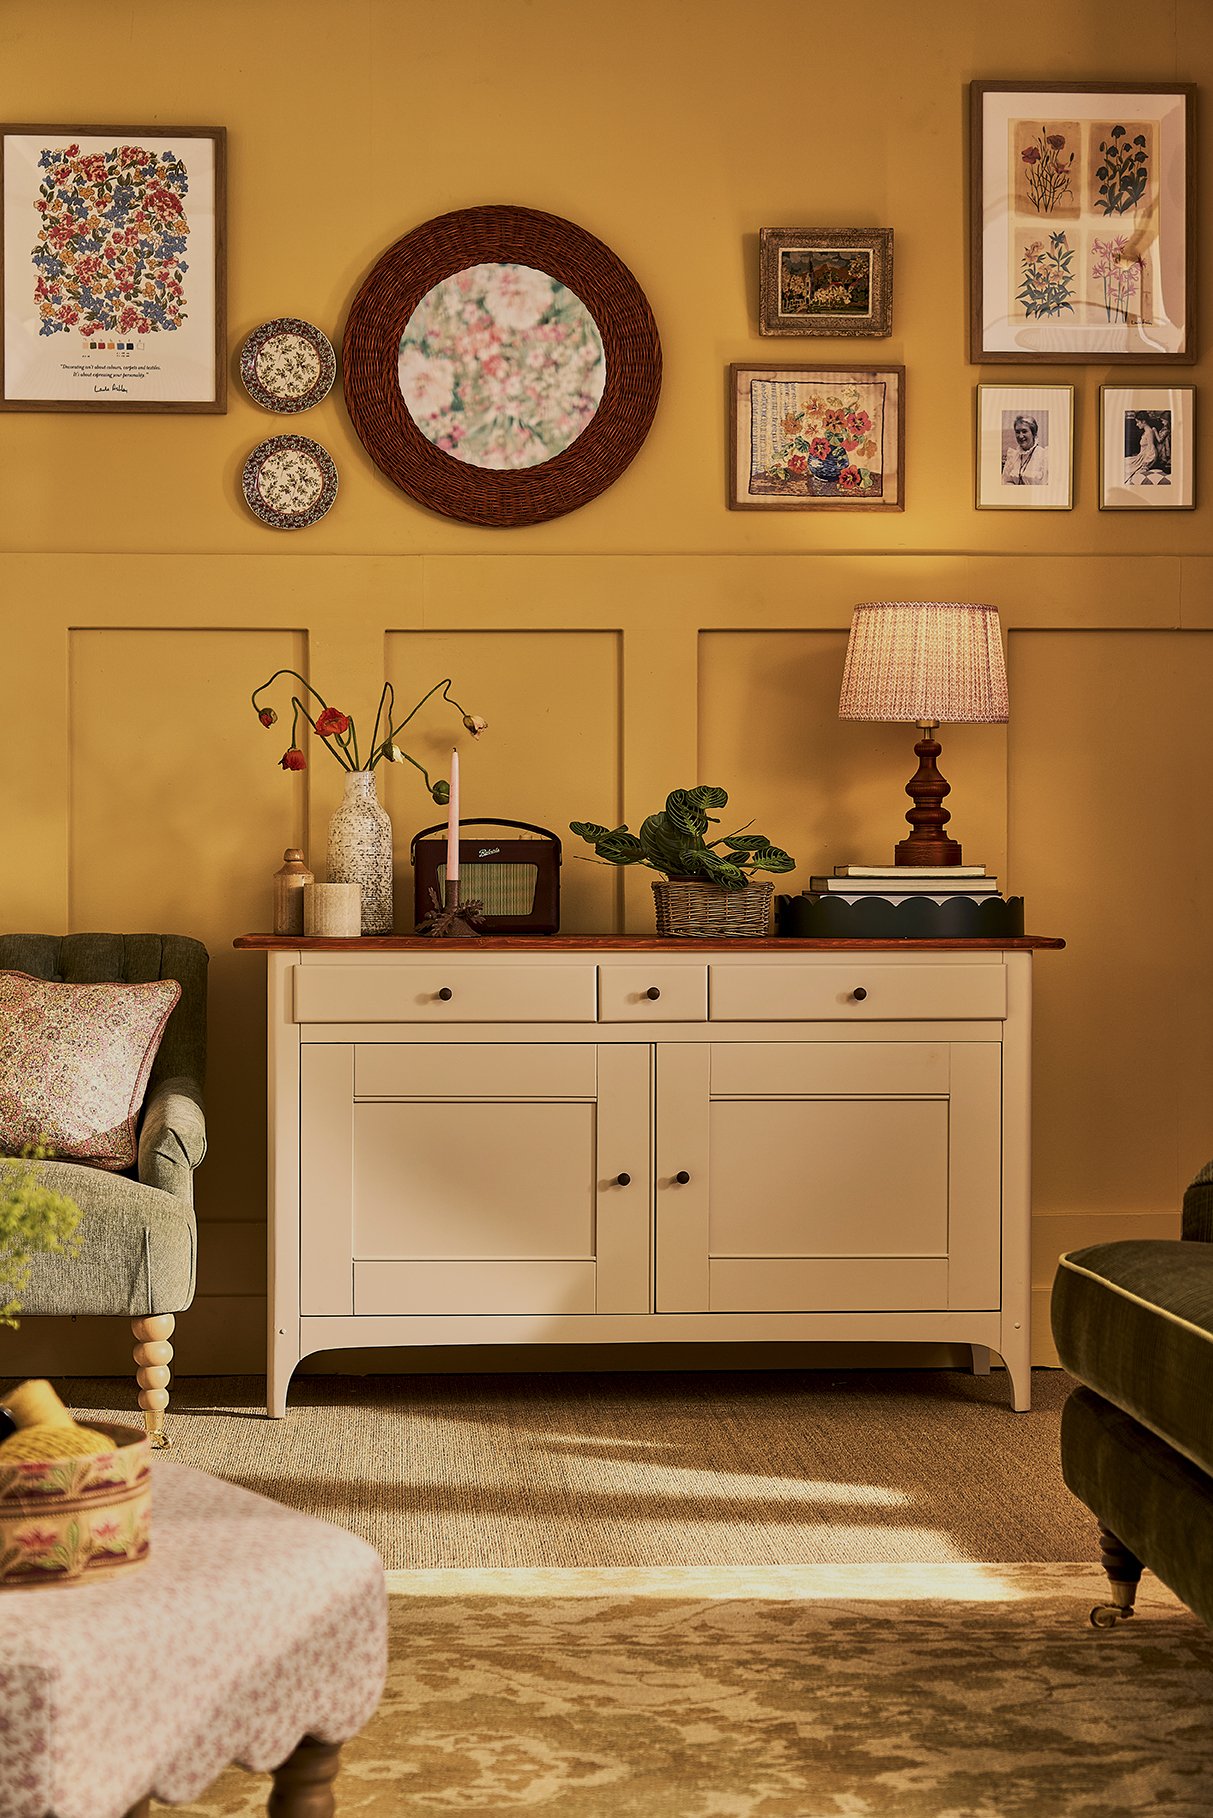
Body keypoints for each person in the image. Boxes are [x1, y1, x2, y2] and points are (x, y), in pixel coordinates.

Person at [1001, 414, 1048, 485]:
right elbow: (1005, 481)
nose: (1020, 436)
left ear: (1034, 434)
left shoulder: (1044, 456)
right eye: (1017, 432)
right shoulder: (1013, 456)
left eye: (1024, 431)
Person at [1125, 413, 1162, 484]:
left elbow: (1151, 448)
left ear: (1143, 421)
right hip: (1141, 456)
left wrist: (1146, 464)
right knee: (1125, 462)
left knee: (1126, 465)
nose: (1137, 424)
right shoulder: (1147, 432)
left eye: (1138, 422)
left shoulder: (1149, 432)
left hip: (1145, 458)